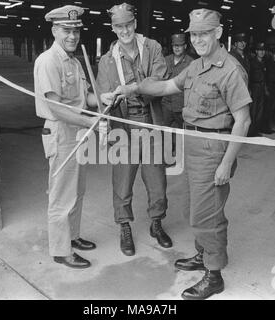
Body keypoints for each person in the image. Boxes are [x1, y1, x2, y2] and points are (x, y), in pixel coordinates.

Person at [104, 7, 251, 300]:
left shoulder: (231, 69)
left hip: (214, 149)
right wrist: (132, 88)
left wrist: (226, 163)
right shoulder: (196, 67)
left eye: (203, 34)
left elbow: (243, 120)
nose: (197, 39)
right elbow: (167, 85)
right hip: (193, 146)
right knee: (194, 209)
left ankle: (213, 274)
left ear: (218, 33)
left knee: (207, 215)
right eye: (193, 34)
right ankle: (202, 254)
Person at [96, 3, 172, 257]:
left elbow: (158, 82)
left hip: (150, 123)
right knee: (122, 181)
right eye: (119, 26)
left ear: (135, 24)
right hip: (123, 126)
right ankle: (125, 227)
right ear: (113, 29)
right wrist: (106, 98)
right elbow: (102, 94)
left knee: (157, 181)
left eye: (128, 24)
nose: (125, 30)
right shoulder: (107, 60)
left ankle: (156, 223)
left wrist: (132, 88)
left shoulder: (153, 48)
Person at [34, 5, 105, 269]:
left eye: (76, 30)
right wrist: (91, 122)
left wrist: (100, 100)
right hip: (61, 132)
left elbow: (83, 98)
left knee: (77, 191)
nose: (72, 36)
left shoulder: (74, 61)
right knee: (61, 194)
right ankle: (61, 251)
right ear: (55, 30)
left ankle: (73, 237)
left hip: (78, 132)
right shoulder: (47, 62)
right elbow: (57, 107)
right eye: (66, 30)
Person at [162, 34, 193, 153]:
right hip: (166, 103)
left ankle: (181, 154)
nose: (177, 48)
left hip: (182, 104)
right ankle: (168, 156)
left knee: (182, 131)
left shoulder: (191, 62)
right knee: (166, 130)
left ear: (185, 46)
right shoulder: (166, 60)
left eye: (179, 46)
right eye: (175, 45)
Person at [249, 42, 270, 135]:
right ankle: (251, 131)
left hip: (261, 87)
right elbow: (248, 76)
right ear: (256, 51)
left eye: (263, 50)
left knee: (260, 110)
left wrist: (265, 89)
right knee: (253, 110)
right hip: (254, 88)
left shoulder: (264, 62)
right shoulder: (252, 62)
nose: (262, 52)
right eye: (260, 50)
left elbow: (265, 77)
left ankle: (256, 130)